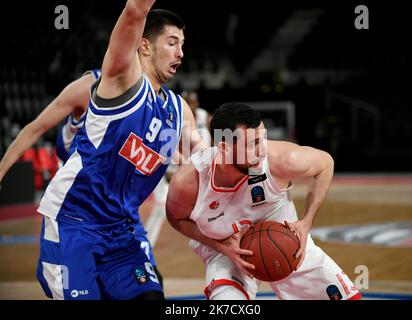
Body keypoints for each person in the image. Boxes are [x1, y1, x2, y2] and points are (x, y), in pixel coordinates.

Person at [35, 0, 204, 300]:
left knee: (151, 297)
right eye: (172, 42)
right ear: (145, 46)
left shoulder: (178, 111)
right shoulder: (119, 80)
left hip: (121, 233)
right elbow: (135, 10)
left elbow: (207, 162)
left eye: (183, 44)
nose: (180, 52)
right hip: (74, 224)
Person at [166, 102, 362, 300]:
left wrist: (306, 221)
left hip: (288, 245)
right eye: (253, 144)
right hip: (225, 251)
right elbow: (176, 218)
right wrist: (220, 246)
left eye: (263, 139)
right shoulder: (189, 182)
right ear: (224, 148)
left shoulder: (282, 159)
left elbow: (326, 163)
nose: (262, 150)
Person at [0, 69, 165, 288]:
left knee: (150, 283)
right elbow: (34, 128)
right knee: (87, 286)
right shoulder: (88, 85)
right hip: (79, 205)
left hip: (118, 210)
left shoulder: (151, 99)